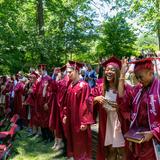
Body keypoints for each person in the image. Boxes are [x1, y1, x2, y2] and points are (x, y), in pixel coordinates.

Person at [117, 57, 160, 160]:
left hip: (154, 141)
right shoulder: (138, 90)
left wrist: (154, 133)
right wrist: (122, 75)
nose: (139, 81)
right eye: (137, 77)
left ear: (150, 73)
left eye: (141, 77)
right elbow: (122, 100)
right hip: (138, 138)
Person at [88, 57, 126, 160]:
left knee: (122, 150)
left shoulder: (123, 87)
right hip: (107, 122)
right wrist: (96, 98)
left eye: (112, 69)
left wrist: (119, 107)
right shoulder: (101, 87)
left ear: (117, 72)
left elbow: (127, 103)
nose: (108, 72)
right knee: (111, 150)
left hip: (119, 122)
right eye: (107, 69)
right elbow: (88, 99)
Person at [62, 61, 94, 160]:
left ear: (76, 71)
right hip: (72, 120)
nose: (68, 74)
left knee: (81, 144)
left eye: (70, 72)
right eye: (67, 72)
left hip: (80, 121)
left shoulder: (83, 86)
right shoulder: (70, 86)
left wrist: (85, 121)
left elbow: (86, 104)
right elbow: (66, 103)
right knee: (74, 143)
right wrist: (66, 115)